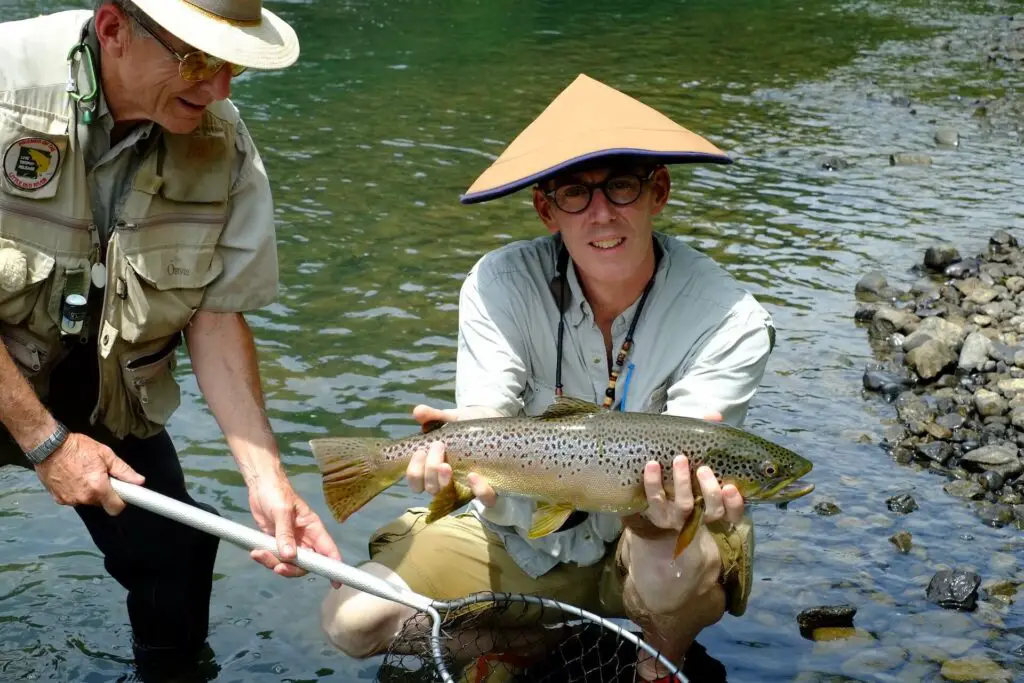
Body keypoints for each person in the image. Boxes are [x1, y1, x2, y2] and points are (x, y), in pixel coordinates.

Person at [319, 74, 775, 681]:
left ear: (657, 191)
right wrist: (450, 459)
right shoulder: (499, 283)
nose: (601, 213)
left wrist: (662, 513)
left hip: (645, 548)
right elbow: (483, 422)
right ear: (545, 208)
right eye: (574, 194)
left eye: (620, 185)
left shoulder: (730, 319)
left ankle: (657, 660)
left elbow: (695, 474)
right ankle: (534, 646)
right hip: (519, 535)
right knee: (351, 624)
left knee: (674, 561)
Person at [0, 0, 341, 677]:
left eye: (233, 65)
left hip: (100, 384)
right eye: (196, 59)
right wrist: (45, 441)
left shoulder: (224, 142)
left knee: (177, 552)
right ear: (112, 28)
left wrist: (268, 480)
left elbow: (213, 319)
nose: (218, 89)